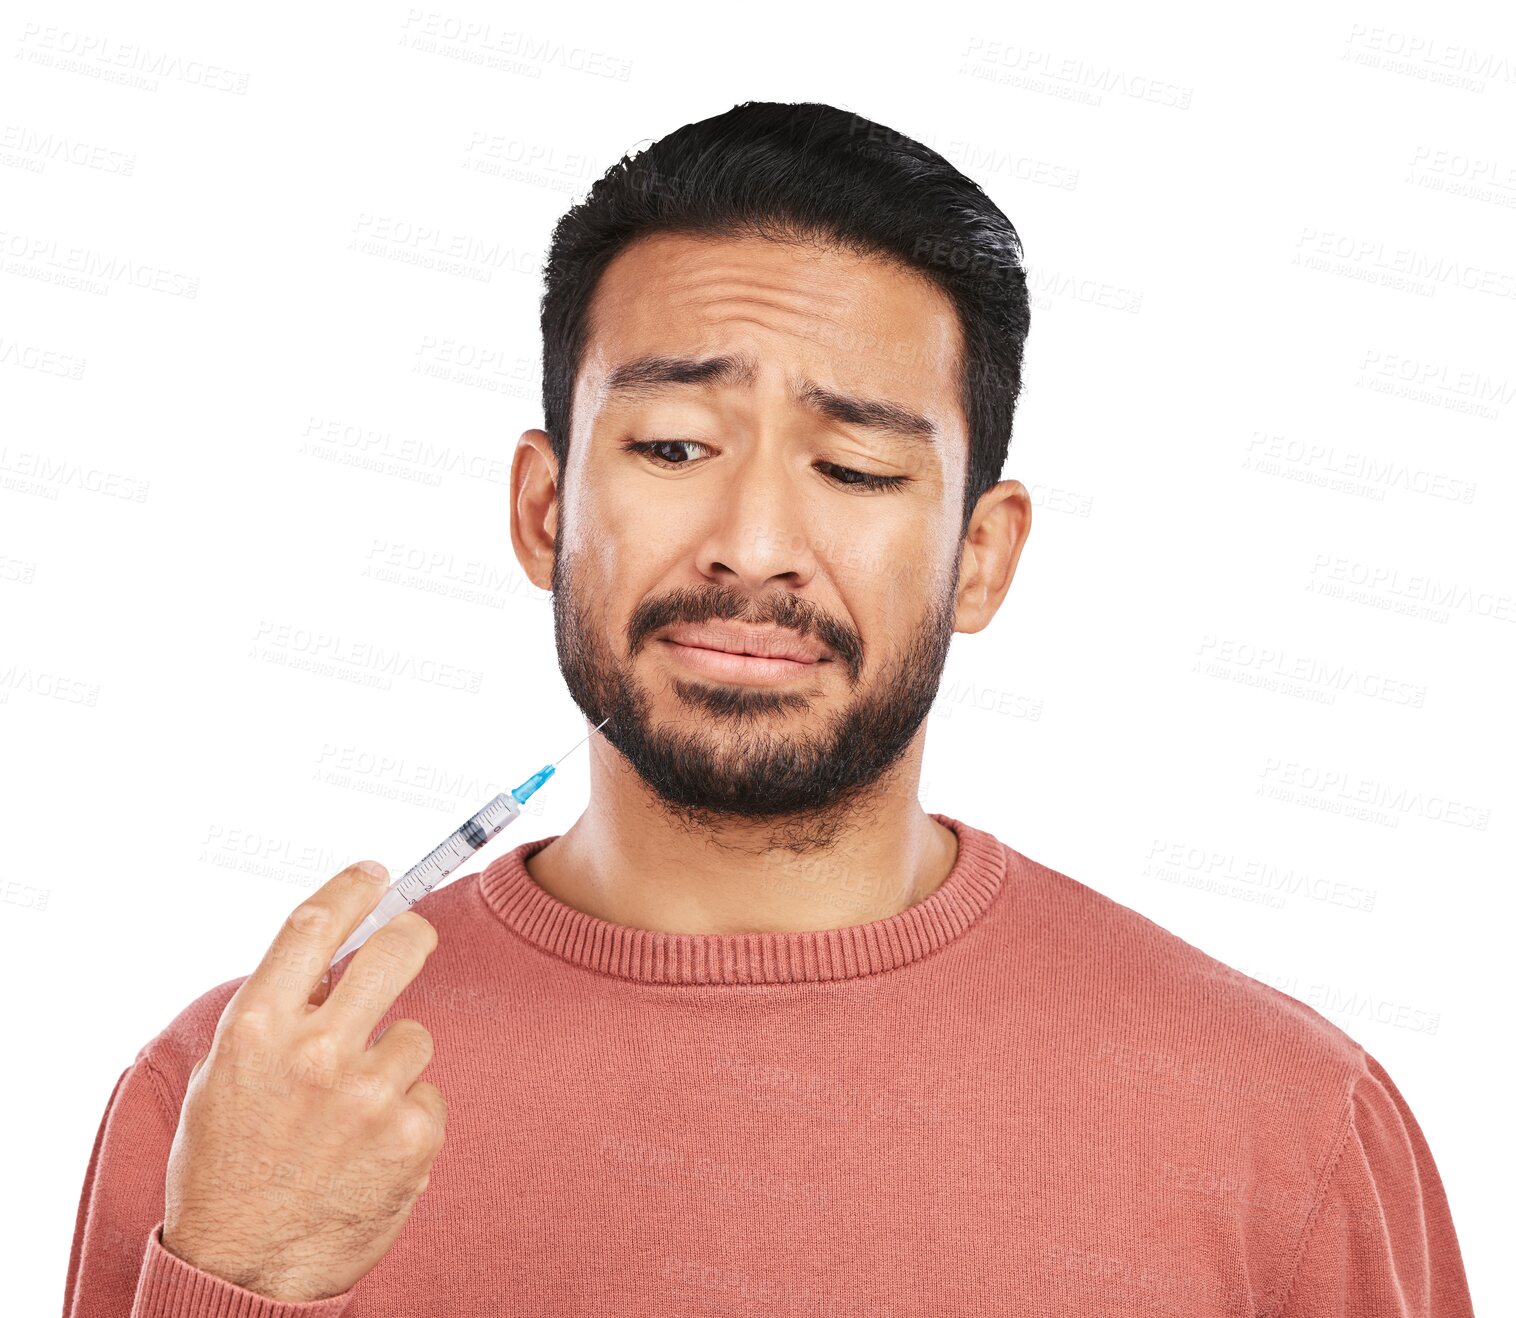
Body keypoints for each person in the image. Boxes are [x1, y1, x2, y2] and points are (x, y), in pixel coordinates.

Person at [65, 101, 1475, 1317]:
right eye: (674, 445)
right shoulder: (235, 1103)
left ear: (982, 555)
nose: (752, 543)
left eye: (856, 467)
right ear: (543, 508)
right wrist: (236, 1269)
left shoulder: (1282, 1124)